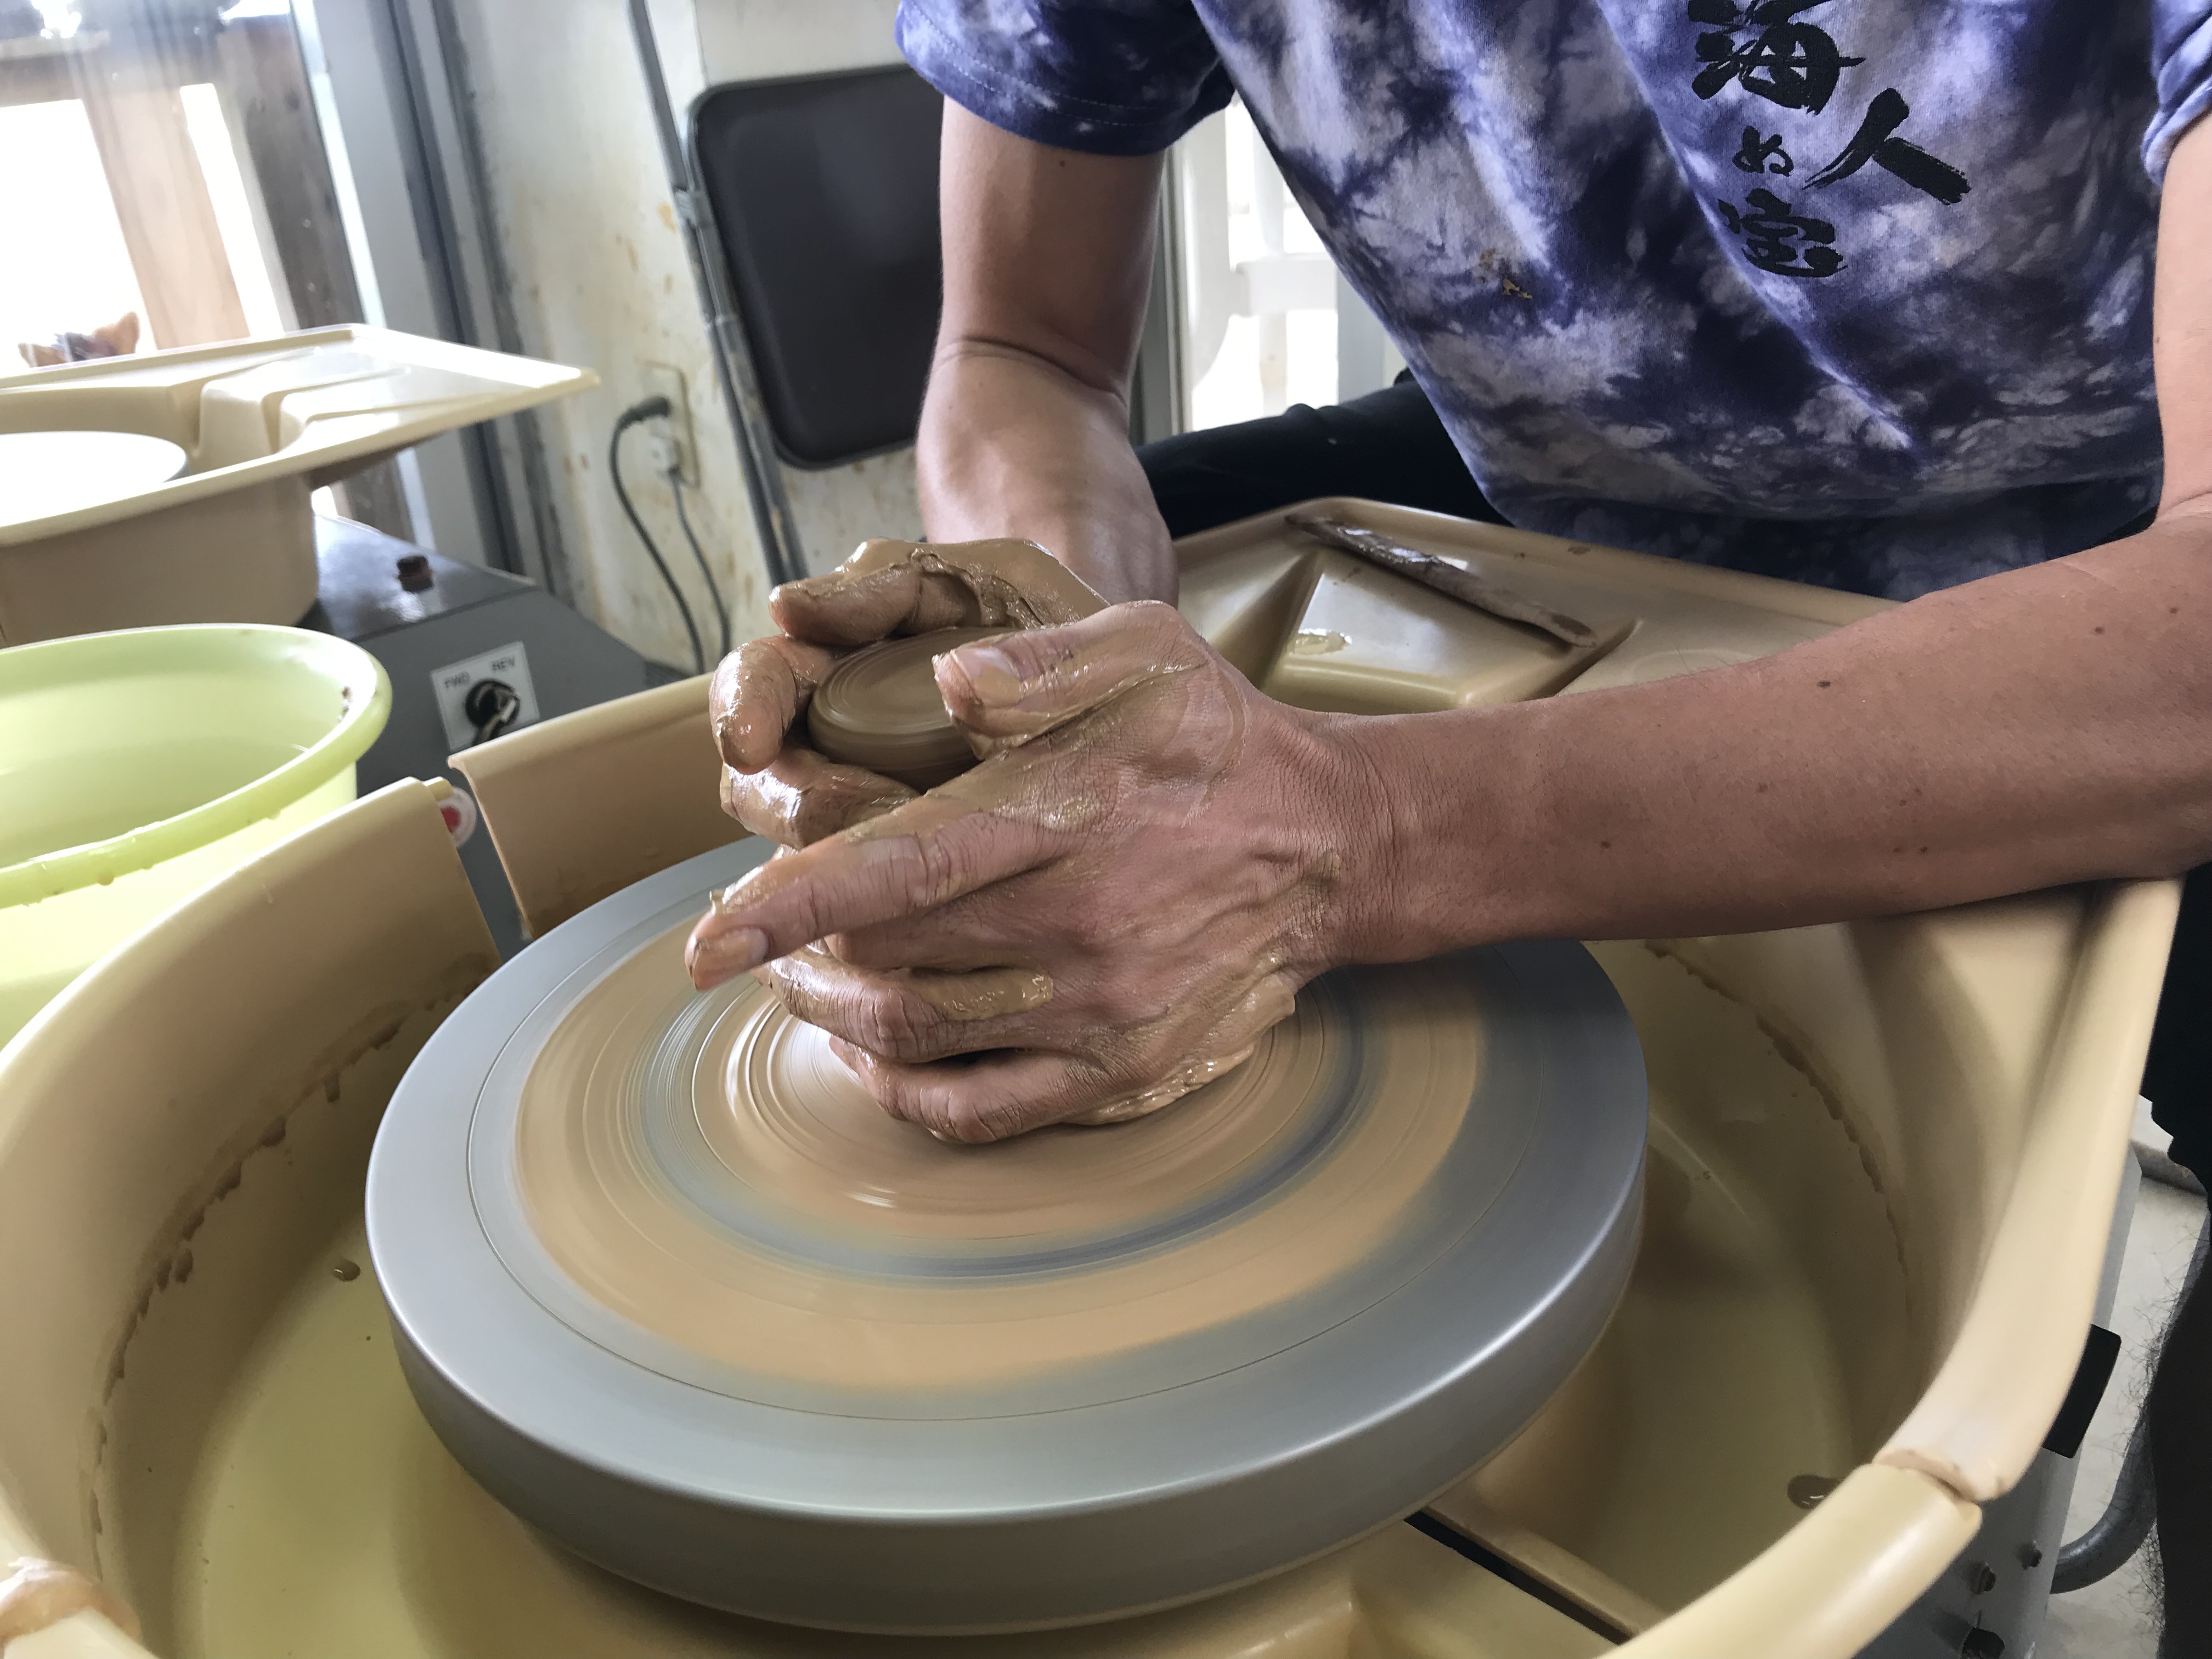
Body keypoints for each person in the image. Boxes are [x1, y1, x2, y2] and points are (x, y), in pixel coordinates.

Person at [686, 7, 2212, 1647]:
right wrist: (1056, 695)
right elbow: (1024, 356)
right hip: (1552, 474)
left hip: (2097, 565)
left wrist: (1355, 837)